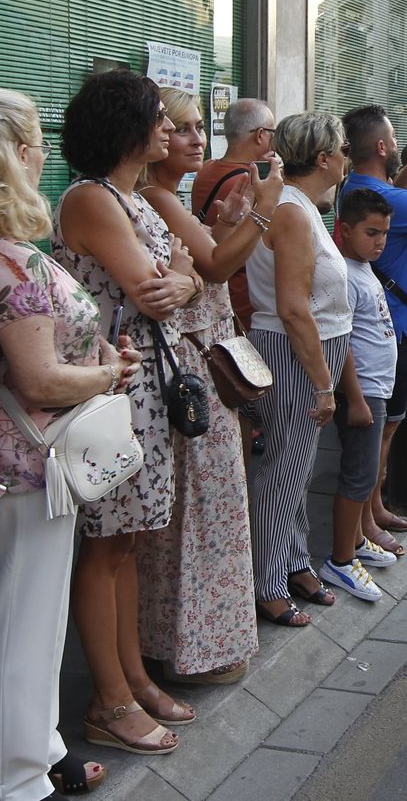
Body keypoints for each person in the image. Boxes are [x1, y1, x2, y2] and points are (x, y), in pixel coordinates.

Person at [0, 87, 138, 800]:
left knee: (31, 619)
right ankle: (15, 780)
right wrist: (109, 371)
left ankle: (36, 751)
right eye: (36, 143)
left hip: (14, 456)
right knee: (22, 625)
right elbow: (42, 379)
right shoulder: (6, 259)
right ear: (15, 157)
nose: (45, 153)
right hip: (26, 461)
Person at [53, 70, 200, 755]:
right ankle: (107, 699)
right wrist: (175, 275)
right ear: (130, 128)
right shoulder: (91, 198)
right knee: (108, 542)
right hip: (114, 384)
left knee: (132, 537)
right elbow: (154, 290)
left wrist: (177, 276)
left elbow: (188, 277)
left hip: (144, 378)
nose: (170, 130)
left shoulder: (129, 196)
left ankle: (134, 676)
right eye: (160, 119)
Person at [137, 88, 281, 685]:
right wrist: (263, 212)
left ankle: (198, 647)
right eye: (184, 127)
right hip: (191, 373)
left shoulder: (167, 200)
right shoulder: (155, 198)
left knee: (209, 512)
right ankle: (192, 652)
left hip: (201, 366)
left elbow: (208, 259)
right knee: (201, 514)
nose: (195, 138)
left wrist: (224, 223)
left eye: (199, 127)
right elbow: (219, 266)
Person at [245, 112, 353, 627]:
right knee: (282, 471)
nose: (348, 157)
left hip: (306, 350)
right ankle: (267, 582)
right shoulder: (290, 211)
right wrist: (323, 383)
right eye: (344, 149)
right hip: (294, 353)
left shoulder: (301, 206)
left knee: (296, 468)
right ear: (325, 158)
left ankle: (293, 562)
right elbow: (293, 308)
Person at [338, 105, 407, 552]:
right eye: (394, 135)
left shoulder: (366, 187)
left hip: (397, 328)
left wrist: (406, 171)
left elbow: (392, 203)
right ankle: (366, 518)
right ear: (381, 145)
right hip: (397, 329)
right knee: (383, 431)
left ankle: (375, 508)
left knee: (388, 426)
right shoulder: (381, 195)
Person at [326, 187, 400, 602]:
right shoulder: (344, 274)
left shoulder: (363, 266)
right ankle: (339, 560)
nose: (380, 241)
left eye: (385, 233)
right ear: (344, 229)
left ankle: (354, 544)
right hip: (363, 390)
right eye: (372, 233)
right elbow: (342, 343)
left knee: (366, 471)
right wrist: (354, 398)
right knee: (357, 476)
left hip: (376, 387)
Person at [190, 97, 278, 332]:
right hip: (238, 298)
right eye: (273, 132)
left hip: (210, 288)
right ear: (260, 135)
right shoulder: (250, 183)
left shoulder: (206, 168)